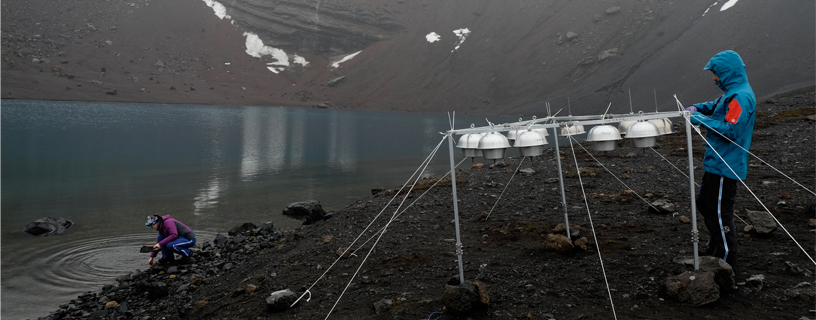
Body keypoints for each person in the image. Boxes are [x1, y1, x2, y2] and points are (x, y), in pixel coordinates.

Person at [685, 50, 756, 274]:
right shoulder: (731, 93)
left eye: (716, 74)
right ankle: (716, 250)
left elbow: (731, 130)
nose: (714, 78)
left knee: (719, 213)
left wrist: (699, 119)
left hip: (726, 165)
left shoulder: (740, 96)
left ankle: (726, 264)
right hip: (716, 163)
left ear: (727, 73)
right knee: (706, 205)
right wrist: (698, 108)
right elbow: (716, 106)